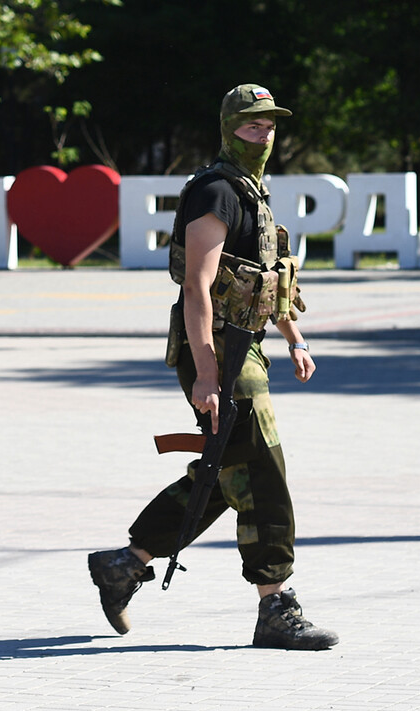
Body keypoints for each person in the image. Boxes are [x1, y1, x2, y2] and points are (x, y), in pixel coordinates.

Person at [87, 83, 338, 652]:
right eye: (252, 124)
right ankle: (274, 605)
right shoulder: (216, 192)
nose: (264, 133)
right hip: (219, 354)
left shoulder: (253, 191)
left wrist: (295, 338)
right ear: (228, 127)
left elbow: (263, 282)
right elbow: (199, 289)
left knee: (231, 473)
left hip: (244, 347)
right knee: (264, 470)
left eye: (270, 124)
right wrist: (205, 373)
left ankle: (125, 564)